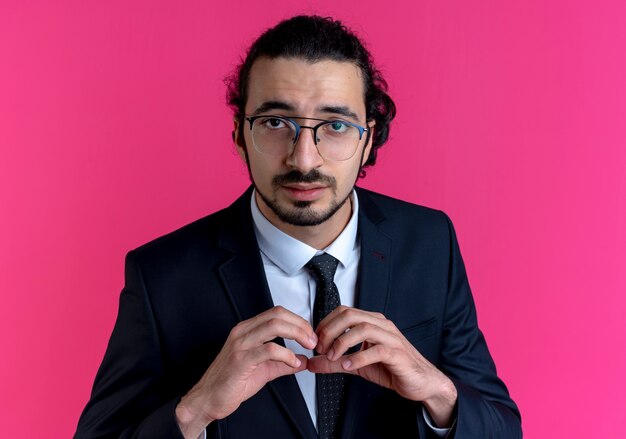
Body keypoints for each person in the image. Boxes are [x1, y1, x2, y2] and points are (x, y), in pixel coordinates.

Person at [75, 15, 521, 439]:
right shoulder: (161, 276)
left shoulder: (429, 242)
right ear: (238, 134)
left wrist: (437, 393)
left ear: (368, 140)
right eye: (274, 122)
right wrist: (198, 408)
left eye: (336, 126)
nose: (304, 159)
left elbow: (503, 427)